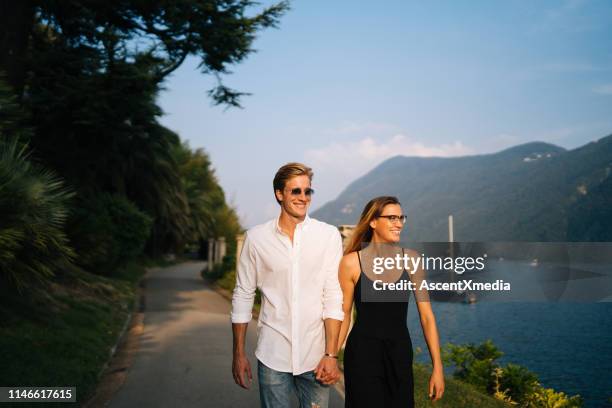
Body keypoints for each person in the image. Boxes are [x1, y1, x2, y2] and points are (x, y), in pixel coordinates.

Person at [231, 162, 344, 408]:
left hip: (316, 358)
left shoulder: (328, 236)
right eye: (296, 191)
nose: (303, 198)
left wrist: (332, 355)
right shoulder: (256, 238)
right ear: (279, 194)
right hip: (272, 354)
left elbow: (334, 297)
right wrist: (239, 354)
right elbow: (243, 294)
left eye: (308, 191)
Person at [337, 196, 445, 407]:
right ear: (373, 222)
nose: (399, 223)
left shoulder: (411, 260)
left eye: (401, 218)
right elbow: (344, 314)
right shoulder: (351, 263)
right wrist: (330, 356)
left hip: (399, 354)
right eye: (392, 218)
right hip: (361, 356)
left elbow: (427, 317)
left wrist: (437, 368)